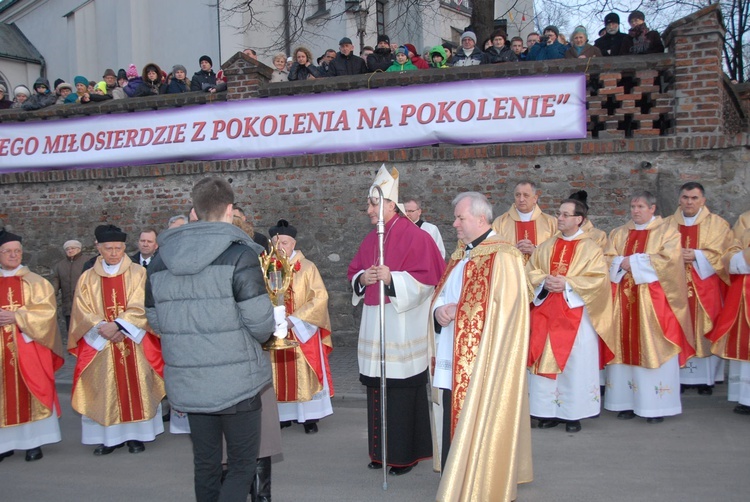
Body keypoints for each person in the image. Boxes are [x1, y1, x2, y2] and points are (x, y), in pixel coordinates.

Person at [145, 177, 274, 502]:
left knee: (205, 464)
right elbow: (260, 323)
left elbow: (155, 319)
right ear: (230, 210)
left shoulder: (160, 260)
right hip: (238, 382)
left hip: (189, 381)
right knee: (243, 465)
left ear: (195, 210)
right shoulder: (240, 255)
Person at [430, 192, 533, 501]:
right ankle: (455, 475)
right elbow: (442, 294)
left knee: (480, 414)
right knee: (451, 409)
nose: (455, 224)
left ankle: (481, 479)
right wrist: (438, 312)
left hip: (484, 357)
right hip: (453, 351)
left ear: (481, 218)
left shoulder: (504, 255)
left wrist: (458, 312)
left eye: (460, 218)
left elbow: (510, 312)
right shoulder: (461, 254)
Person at [347, 165, 445, 476]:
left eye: (373, 203)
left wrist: (393, 279)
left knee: (401, 391)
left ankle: (404, 455)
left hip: (403, 326)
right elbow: (353, 273)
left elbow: (430, 281)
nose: (368, 210)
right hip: (376, 324)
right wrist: (364, 277)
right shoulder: (370, 238)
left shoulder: (416, 237)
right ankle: (380, 451)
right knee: (377, 387)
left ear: (391, 204)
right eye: (368, 203)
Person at [69, 224, 165, 455]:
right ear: (98, 248)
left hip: (133, 340)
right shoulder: (87, 278)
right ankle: (109, 438)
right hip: (101, 342)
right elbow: (81, 310)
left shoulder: (138, 273)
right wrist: (103, 328)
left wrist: (120, 326)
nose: (114, 253)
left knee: (138, 385)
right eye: (108, 248)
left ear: (124, 247)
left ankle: (137, 436)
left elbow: (143, 303)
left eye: (118, 248)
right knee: (105, 388)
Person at [604, 191, 694, 424]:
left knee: (653, 346)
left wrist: (631, 261)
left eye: (641, 206)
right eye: (633, 206)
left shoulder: (667, 232)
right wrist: (619, 263)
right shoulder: (619, 232)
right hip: (622, 304)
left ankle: (655, 407)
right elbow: (606, 258)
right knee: (624, 347)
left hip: (653, 305)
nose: (636, 210)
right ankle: (625, 403)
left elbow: (670, 262)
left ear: (652, 208)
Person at [527, 198, 615, 433]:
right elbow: (530, 271)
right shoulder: (546, 246)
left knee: (575, 362)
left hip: (575, 314)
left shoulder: (591, 248)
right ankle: (546, 412)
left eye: (566, 215)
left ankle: (573, 414)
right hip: (546, 312)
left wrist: (567, 284)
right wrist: (544, 281)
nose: (560, 218)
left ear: (579, 219)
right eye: (559, 214)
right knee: (543, 358)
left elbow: (598, 279)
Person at [0, 229, 64, 463]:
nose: (14, 255)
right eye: (8, 251)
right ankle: (4, 444)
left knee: (33, 391)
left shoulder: (36, 282)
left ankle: (33, 443)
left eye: (17, 251)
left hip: (29, 348)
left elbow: (47, 313)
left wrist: (17, 317)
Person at [663, 182, 733, 394]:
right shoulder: (666, 225)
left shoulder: (717, 224)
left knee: (705, 326)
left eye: (694, 198)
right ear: (679, 200)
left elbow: (726, 254)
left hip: (706, 287)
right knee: (677, 325)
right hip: (674, 288)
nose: (689, 202)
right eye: (685, 197)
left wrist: (697, 255)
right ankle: (679, 376)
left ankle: (706, 380)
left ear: (703, 200)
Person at [267, 219, 334, 434]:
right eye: (276, 243)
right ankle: (283, 415)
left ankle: (309, 417)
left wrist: (292, 320)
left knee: (305, 371)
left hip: (302, 330)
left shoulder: (307, 268)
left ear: (293, 243)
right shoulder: (268, 268)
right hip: (276, 330)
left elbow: (319, 298)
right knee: (277, 373)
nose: (281, 248)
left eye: (285, 243)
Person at [709, 210, 750, 415]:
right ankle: (746, 398)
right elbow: (730, 252)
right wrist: (744, 258)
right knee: (745, 343)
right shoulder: (745, 219)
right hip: (745, 292)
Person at [491, 181, 557, 264]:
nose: (521, 199)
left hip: (539, 274)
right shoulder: (500, 222)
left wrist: (535, 251)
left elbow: (558, 251)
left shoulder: (551, 222)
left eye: (526, 195)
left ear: (535, 198)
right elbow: (491, 250)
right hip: (512, 273)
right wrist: (511, 251)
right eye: (518, 195)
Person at [51, 239, 90, 331]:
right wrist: (51, 296)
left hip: (85, 303)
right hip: (68, 304)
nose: (70, 250)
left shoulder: (88, 262)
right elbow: (55, 283)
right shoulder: (60, 266)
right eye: (67, 249)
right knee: (71, 330)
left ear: (79, 249)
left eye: (73, 248)